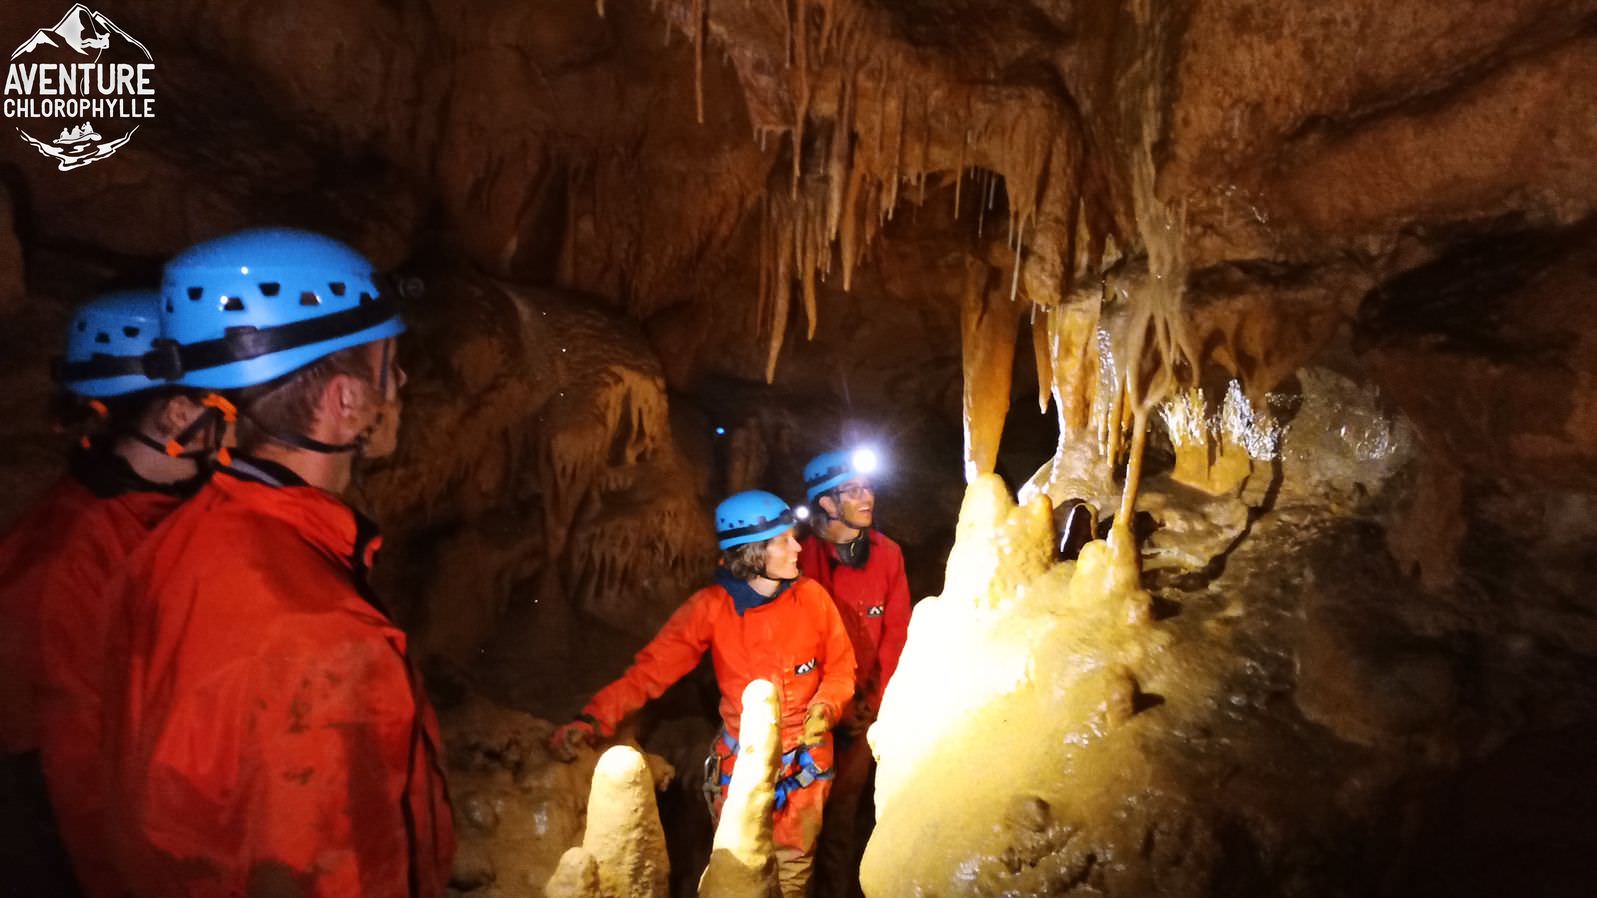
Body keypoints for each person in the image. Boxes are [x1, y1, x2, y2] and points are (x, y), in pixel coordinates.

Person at [100, 228, 454, 897]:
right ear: (345, 401)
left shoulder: (170, 545)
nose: (401, 381)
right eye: (388, 362)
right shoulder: (322, 639)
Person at [0, 290, 222, 898]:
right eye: (224, 394)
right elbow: (61, 774)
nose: (242, 412)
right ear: (178, 415)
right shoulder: (62, 558)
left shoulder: (169, 512)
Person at [552, 490, 856, 898]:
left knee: (792, 877)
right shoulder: (711, 609)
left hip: (804, 769)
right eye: (784, 540)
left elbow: (840, 667)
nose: (798, 547)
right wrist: (593, 718)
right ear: (753, 553)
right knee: (740, 869)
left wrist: (826, 706)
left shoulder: (813, 600)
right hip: (741, 770)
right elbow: (650, 671)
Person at [798, 448, 912, 898]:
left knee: (843, 815)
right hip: (815, 712)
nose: (868, 497)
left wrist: (875, 704)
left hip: (865, 709)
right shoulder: (799, 560)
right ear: (827, 503)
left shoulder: (888, 555)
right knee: (803, 819)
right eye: (854, 490)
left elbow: (897, 633)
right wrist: (829, 706)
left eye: (869, 487)